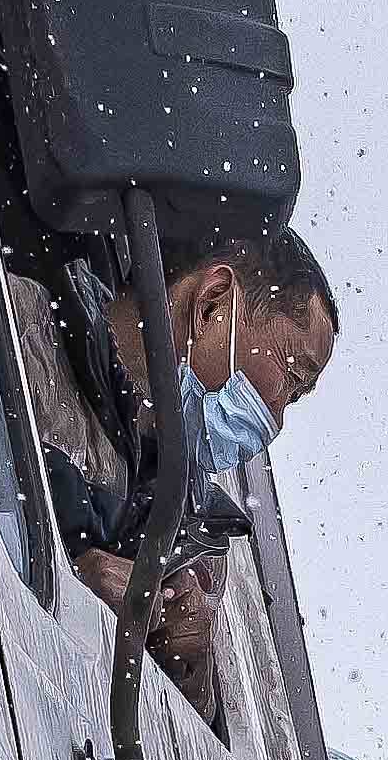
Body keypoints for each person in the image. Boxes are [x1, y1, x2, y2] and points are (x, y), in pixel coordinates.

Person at [59, 215, 335, 691]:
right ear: (212, 303)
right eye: (292, 379)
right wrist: (70, 585)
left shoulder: (200, 531)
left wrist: (191, 668)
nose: (278, 416)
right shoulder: (15, 335)